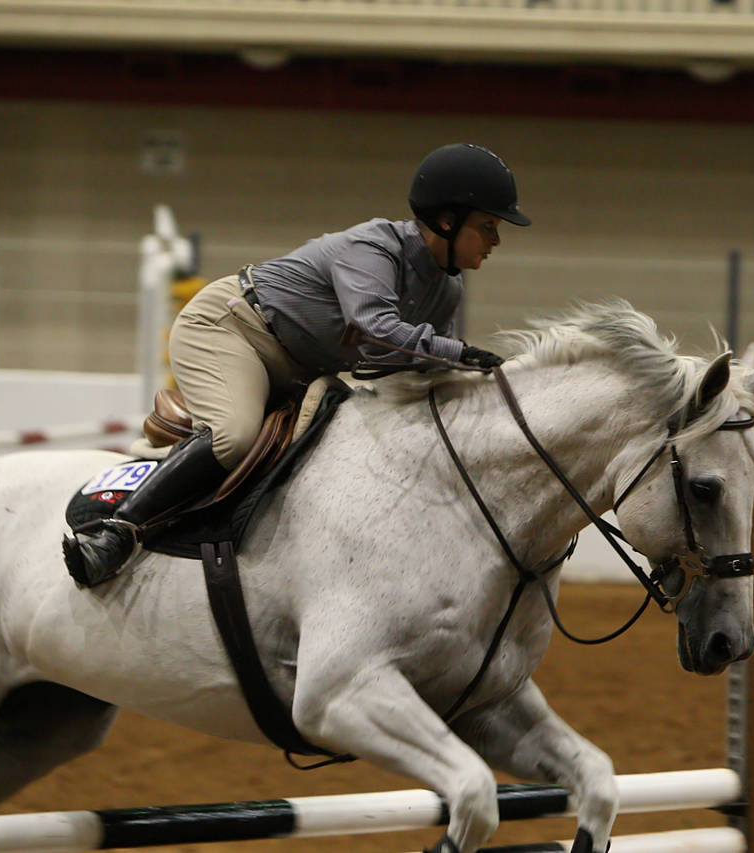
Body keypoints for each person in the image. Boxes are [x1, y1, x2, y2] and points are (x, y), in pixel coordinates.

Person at [63, 143, 531, 586]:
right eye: (488, 226)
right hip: (231, 328)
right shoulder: (375, 248)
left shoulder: (446, 289)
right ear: (448, 220)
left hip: (301, 369)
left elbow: (414, 366)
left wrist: (486, 380)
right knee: (235, 436)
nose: (495, 241)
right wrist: (460, 352)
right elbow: (374, 325)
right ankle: (118, 533)